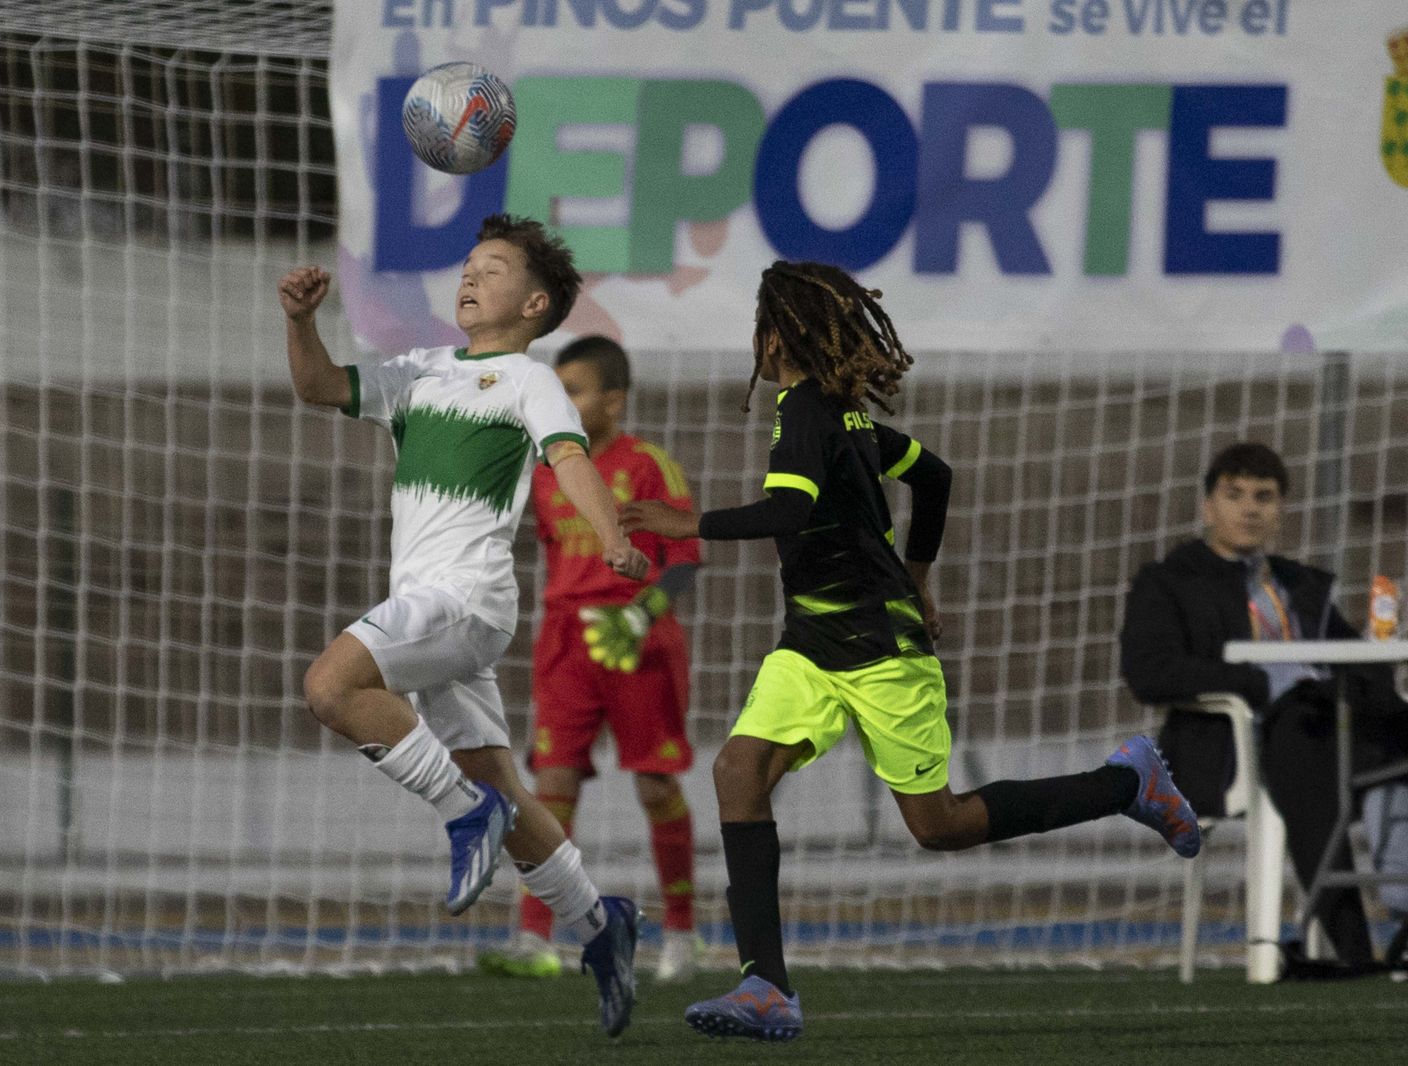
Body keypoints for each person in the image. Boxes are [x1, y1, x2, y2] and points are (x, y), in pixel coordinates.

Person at [622, 261, 1202, 1043]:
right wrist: (918, 578)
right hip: (812, 646)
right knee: (737, 771)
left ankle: (1126, 781)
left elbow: (790, 510)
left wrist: (683, 522)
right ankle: (766, 986)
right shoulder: (843, 417)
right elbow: (934, 476)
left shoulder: (808, 413)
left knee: (940, 825)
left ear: (772, 341)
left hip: (879, 651)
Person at [278, 214, 650, 1036]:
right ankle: (600, 923)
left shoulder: (529, 380)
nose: (472, 276)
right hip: (434, 614)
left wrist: (612, 537)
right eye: (470, 265)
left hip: (465, 598)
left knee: (330, 687)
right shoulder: (419, 371)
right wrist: (301, 322)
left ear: (535, 303)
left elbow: (570, 458)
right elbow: (318, 387)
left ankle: (460, 812)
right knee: (504, 787)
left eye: (494, 267)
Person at [1120, 442, 1408, 972]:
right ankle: (1352, 951)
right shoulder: (1169, 582)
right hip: (1237, 740)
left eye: (1264, 497)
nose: (1250, 509)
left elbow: (1357, 662)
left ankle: (1400, 916)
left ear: (1281, 509)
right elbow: (1150, 672)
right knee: (1303, 733)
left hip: (1329, 723)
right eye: (1235, 495)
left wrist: (1374, 662)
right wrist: (1256, 681)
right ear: (1208, 506)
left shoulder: (1301, 585)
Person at [478, 336, 703, 983]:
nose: (563, 401)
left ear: (613, 401)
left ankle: (682, 935)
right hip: (566, 644)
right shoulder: (547, 470)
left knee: (656, 785)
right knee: (551, 785)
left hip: (639, 641)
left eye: (574, 390)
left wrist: (641, 614)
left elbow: (686, 559)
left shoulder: (650, 465)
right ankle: (535, 936)